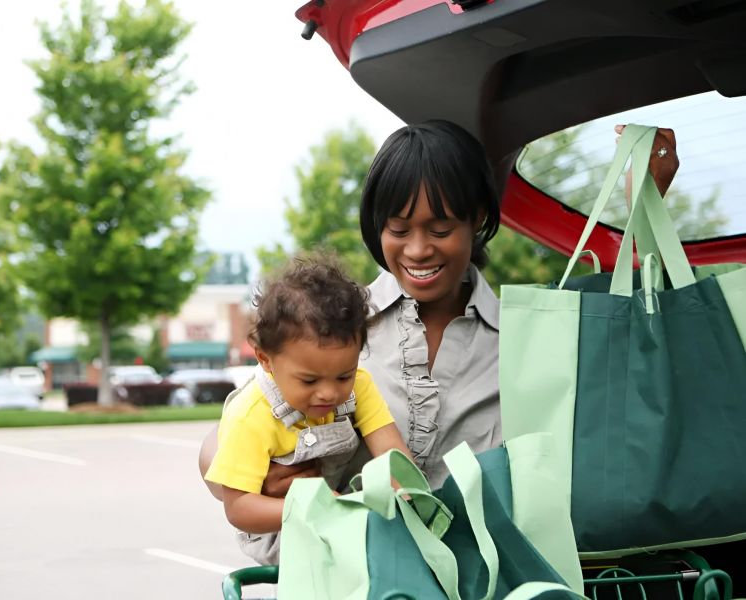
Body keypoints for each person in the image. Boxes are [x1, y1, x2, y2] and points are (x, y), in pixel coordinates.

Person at [198, 120, 679, 558]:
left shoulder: (525, 338)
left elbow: (623, 347)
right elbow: (236, 435)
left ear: (478, 221)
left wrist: (642, 210)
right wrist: (260, 477)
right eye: (398, 229)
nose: (418, 249)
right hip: (351, 576)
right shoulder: (328, 329)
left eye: (441, 228)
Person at [204, 255, 412, 560]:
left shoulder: (359, 386)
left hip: (338, 512)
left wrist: (407, 493)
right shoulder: (251, 415)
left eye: (344, 375)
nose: (328, 393)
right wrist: (314, 505)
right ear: (265, 359)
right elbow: (238, 508)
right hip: (278, 529)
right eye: (309, 380)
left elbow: (392, 453)